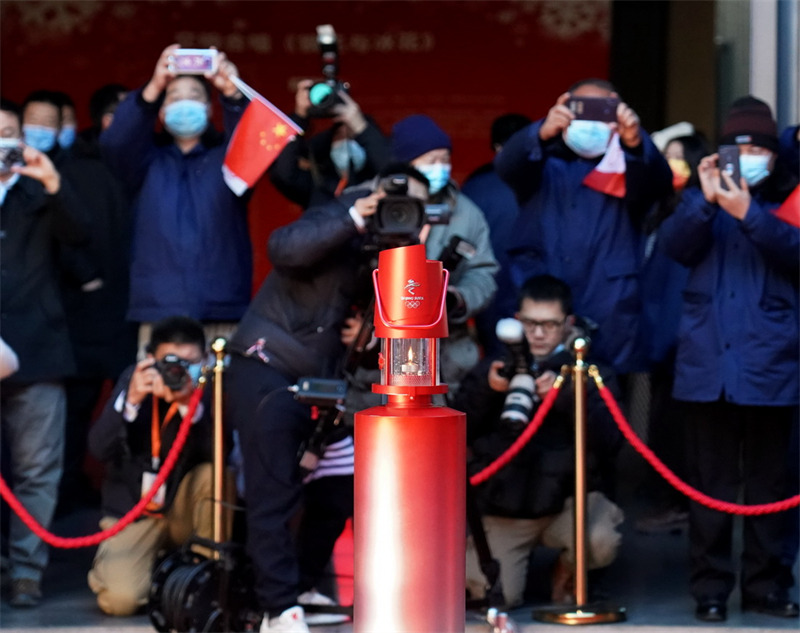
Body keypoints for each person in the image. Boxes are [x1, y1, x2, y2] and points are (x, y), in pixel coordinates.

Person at [224, 168, 431, 632]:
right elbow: (284, 249)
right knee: (273, 492)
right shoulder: (337, 216)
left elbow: (397, 325)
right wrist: (354, 216)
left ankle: (300, 583)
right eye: (392, 202)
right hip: (268, 369)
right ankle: (278, 609)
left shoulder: (399, 252)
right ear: (372, 195)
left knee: (341, 481)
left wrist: (374, 333)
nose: (399, 213)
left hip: (324, 385)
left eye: (412, 206)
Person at [659, 96, 799, 622]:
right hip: (707, 369)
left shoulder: (790, 198)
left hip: (773, 368)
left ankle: (767, 587)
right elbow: (673, 246)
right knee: (709, 489)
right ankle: (711, 590)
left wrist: (751, 216)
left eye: (758, 148)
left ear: (772, 154)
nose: (748, 158)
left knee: (771, 489)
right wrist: (705, 198)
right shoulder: (702, 200)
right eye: (737, 149)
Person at [456, 274, 623, 608]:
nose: (538, 333)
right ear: (517, 322)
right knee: (495, 595)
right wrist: (489, 391)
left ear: (568, 324)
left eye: (549, 324)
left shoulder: (588, 373)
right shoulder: (496, 365)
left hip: (567, 505)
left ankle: (568, 569)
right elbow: (457, 430)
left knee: (599, 539)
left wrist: (568, 398)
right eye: (530, 323)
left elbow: (611, 443)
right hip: (507, 509)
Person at [495, 78, 673, 376]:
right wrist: (541, 131)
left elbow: (659, 182)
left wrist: (635, 140)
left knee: (604, 405)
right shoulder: (542, 164)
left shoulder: (628, 167)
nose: (590, 122)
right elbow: (507, 166)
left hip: (609, 307)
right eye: (581, 111)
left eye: (601, 111)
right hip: (543, 302)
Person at [99, 44, 251, 350]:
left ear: (210, 110)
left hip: (221, 307)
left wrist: (233, 96)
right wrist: (153, 87)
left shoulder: (228, 161)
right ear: (162, 110)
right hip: (159, 310)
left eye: (195, 96)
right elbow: (114, 144)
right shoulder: (144, 163)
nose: (184, 104)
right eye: (174, 97)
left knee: (222, 396)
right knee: (157, 394)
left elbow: (255, 147)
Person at [0, 97, 88, 607]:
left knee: (37, 469)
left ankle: (27, 571)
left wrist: (52, 182)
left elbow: (84, 237)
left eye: (10, 132)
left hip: (38, 350)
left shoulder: (44, 192)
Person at [86, 316, 213, 616]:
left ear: (205, 359)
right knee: (119, 601)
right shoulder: (133, 380)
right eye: (170, 362)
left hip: (183, 510)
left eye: (188, 362)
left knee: (214, 475)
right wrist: (130, 402)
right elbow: (98, 448)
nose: (178, 371)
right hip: (135, 511)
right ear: (149, 359)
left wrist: (189, 407)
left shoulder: (210, 385)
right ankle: (131, 569)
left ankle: (207, 575)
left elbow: (224, 456)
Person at [388, 113, 499, 392]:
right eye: (430, 160)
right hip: (381, 351)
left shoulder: (467, 213)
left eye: (444, 159)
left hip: (448, 355)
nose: (440, 167)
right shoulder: (375, 204)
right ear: (407, 164)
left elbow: (484, 274)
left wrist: (457, 299)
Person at [635, 129, 709, 535]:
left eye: (680, 157)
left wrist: (665, 343)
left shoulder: (695, 214)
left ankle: (677, 504)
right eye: (667, 156)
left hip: (678, 341)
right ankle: (669, 500)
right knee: (660, 426)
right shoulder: (660, 210)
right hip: (657, 338)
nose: (672, 165)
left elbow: (677, 289)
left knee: (675, 430)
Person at [462, 113, 533, 356]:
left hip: (489, 295)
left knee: (497, 367)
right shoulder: (550, 181)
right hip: (542, 297)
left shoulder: (474, 187)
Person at [269, 80, 392, 210]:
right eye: (339, 136)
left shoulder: (382, 184)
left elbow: (392, 170)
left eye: (353, 136)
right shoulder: (317, 185)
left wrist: (360, 126)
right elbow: (284, 173)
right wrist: (300, 117)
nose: (346, 142)